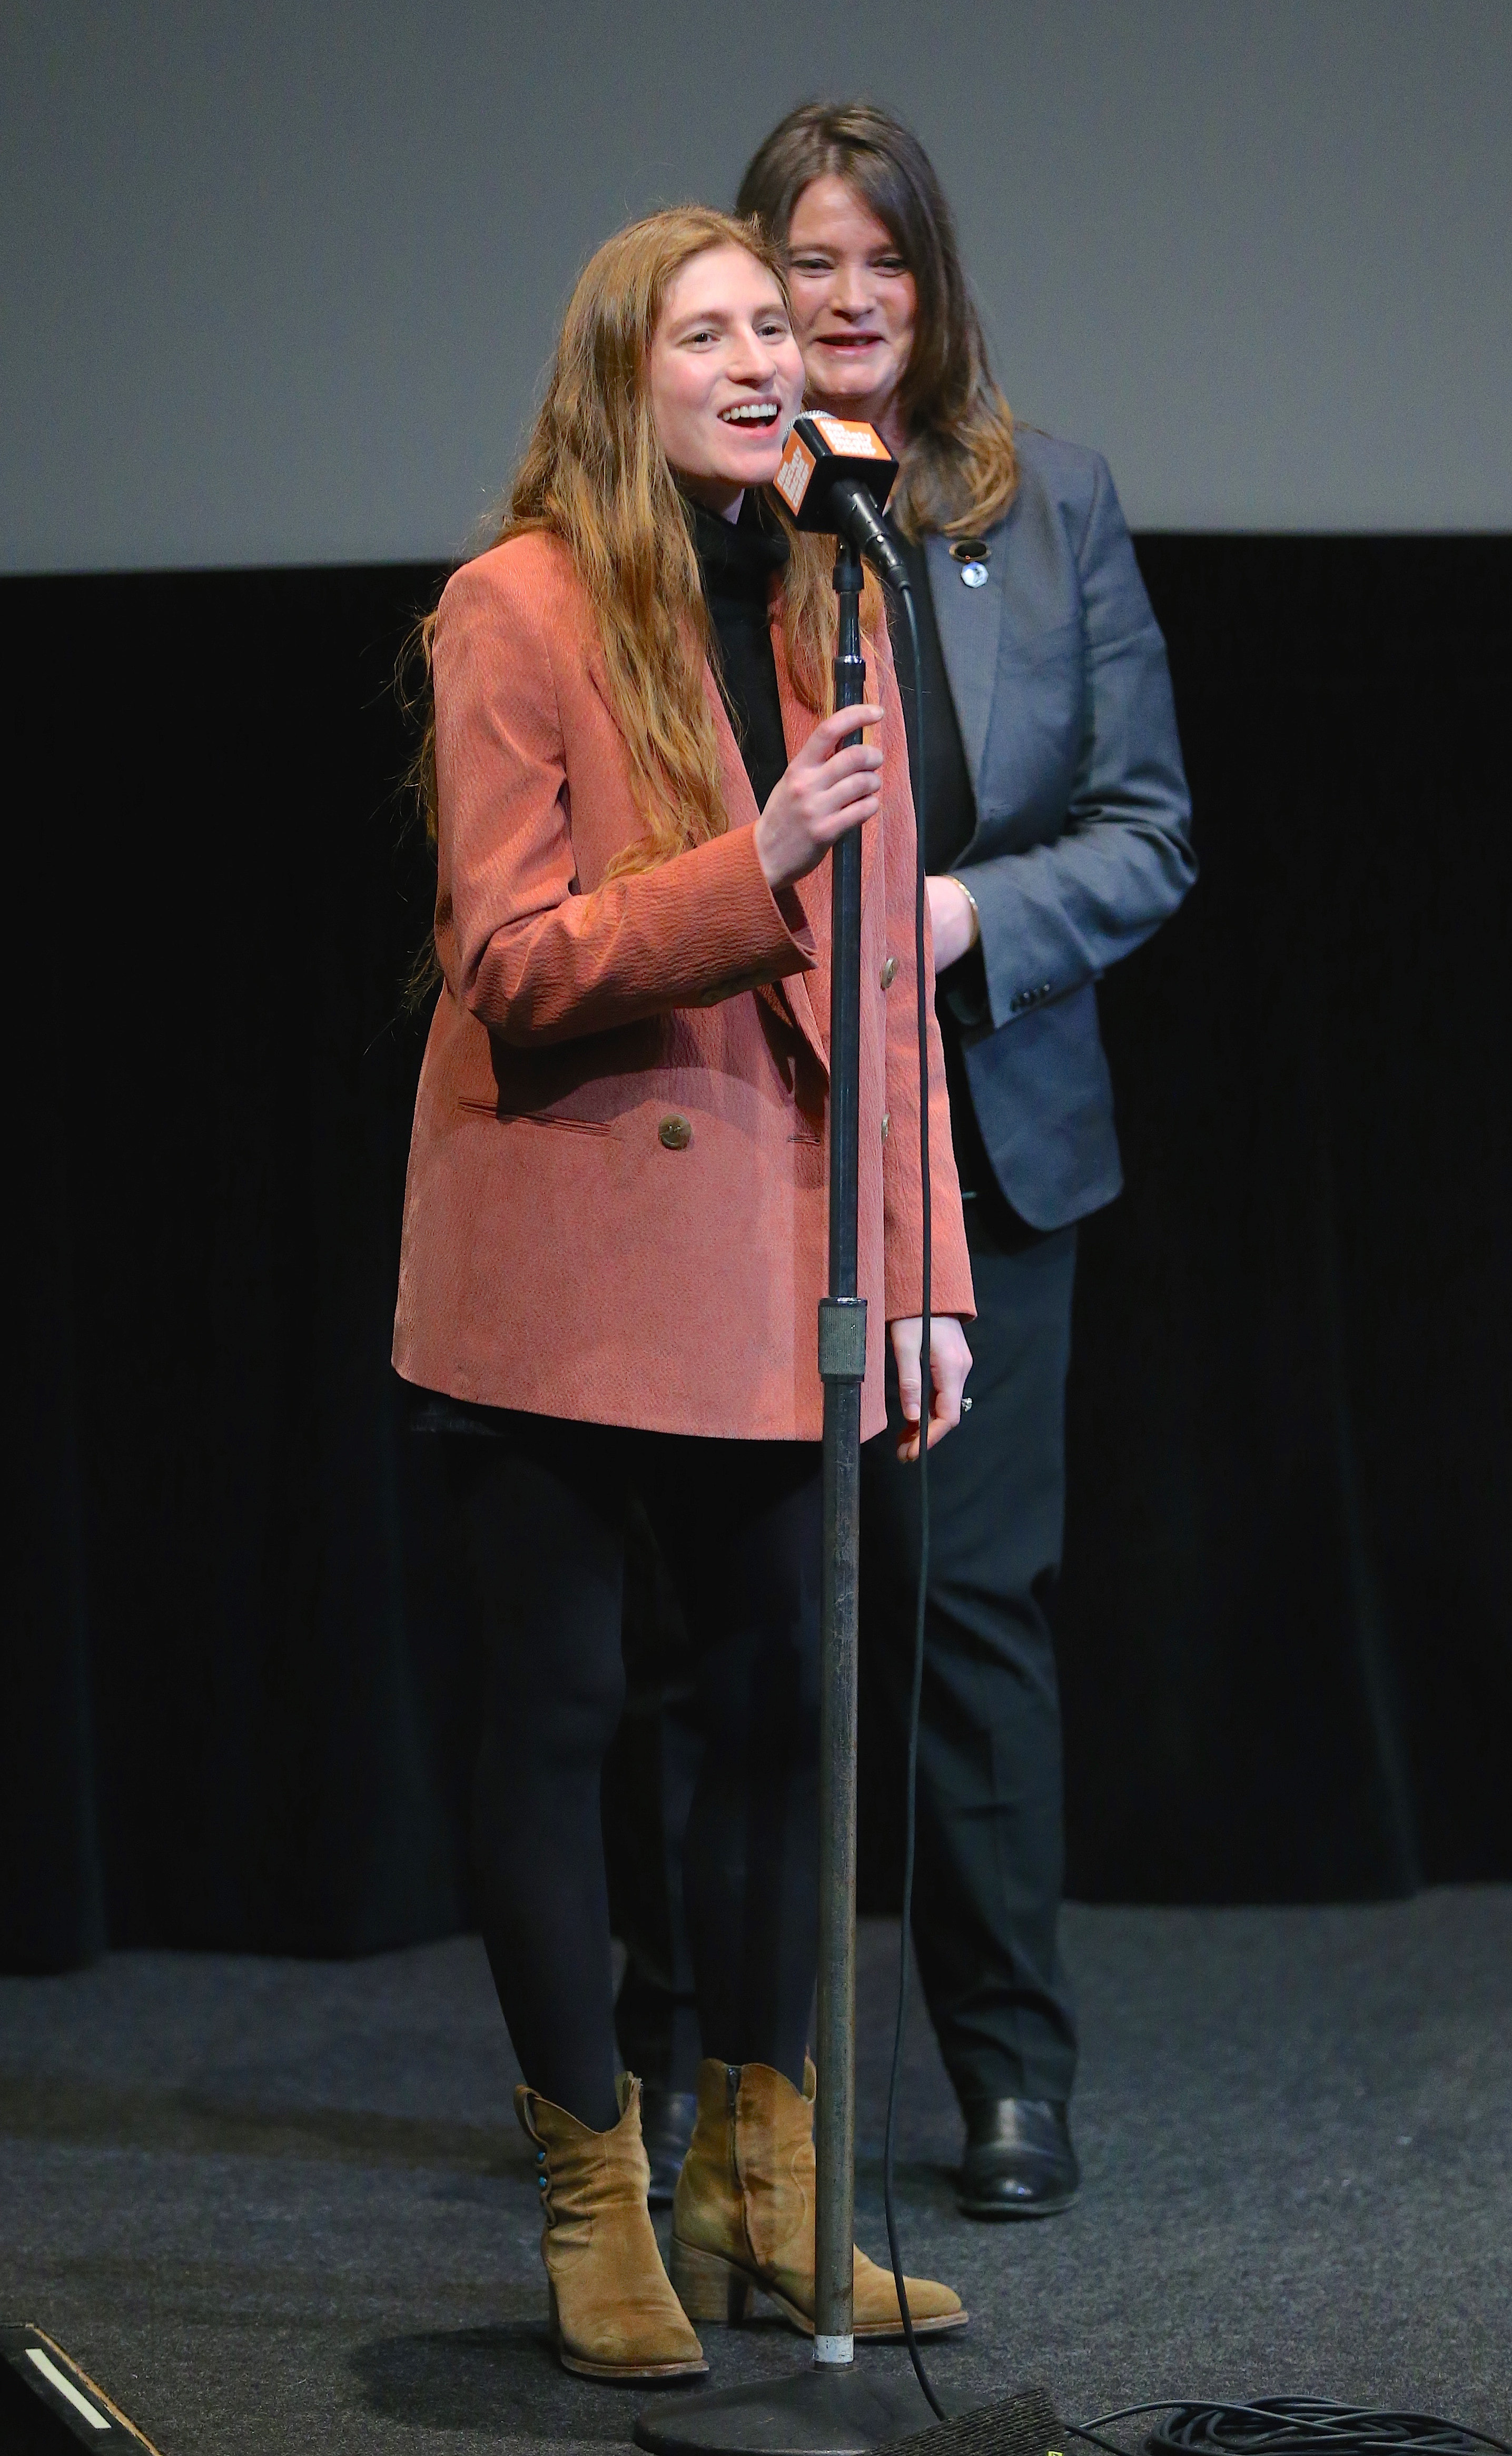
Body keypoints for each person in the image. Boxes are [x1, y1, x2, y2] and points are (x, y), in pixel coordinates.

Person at [393, 204, 974, 2381]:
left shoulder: (835, 595)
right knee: (560, 1721)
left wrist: (921, 1269)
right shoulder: (516, 603)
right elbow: (508, 955)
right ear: (619, 379)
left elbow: (888, 996)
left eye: (770, 328)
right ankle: (595, 2196)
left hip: (777, 1251)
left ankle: (761, 2188)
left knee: (784, 1715)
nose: (762, 360)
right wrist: (765, 862)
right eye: (707, 333)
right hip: (566, 1244)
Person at [729, 105, 1197, 2221]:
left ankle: (1009, 2070)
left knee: (973, 1612)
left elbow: (1146, 829)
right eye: (809, 262)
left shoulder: (1047, 500)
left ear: (935, 286)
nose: (847, 301)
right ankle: (720, 2079)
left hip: (991, 1138)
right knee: (737, 1625)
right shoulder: (703, 512)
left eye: (883, 261)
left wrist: (959, 917)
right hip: (747, 1127)